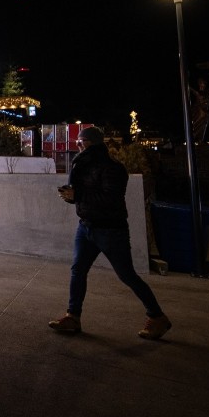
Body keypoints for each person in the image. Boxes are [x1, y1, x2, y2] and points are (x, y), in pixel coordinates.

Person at [50, 126, 172, 340]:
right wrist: (72, 197)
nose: (78, 145)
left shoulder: (112, 168)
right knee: (78, 270)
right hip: (86, 226)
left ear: (94, 143)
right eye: (77, 141)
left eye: (82, 141)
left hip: (110, 230)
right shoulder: (82, 165)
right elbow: (85, 196)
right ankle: (73, 317)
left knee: (127, 275)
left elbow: (110, 199)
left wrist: (78, 195)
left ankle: (157, 317)